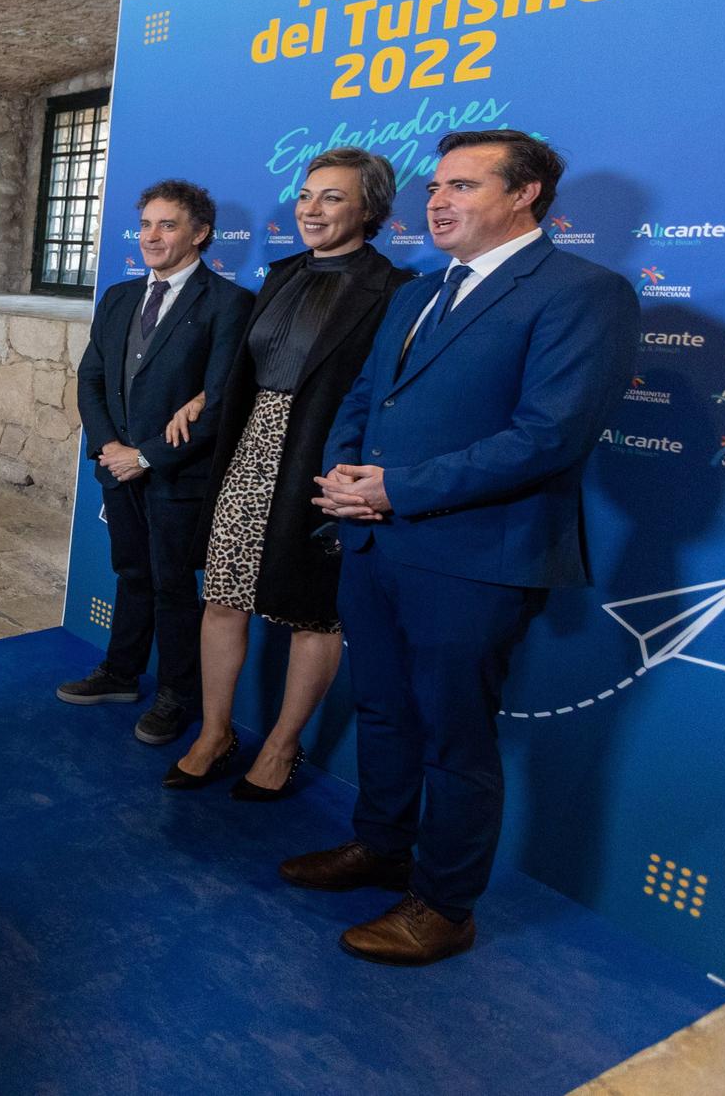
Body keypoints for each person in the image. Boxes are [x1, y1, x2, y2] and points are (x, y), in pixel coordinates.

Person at [284, 129, 638, 965]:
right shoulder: (415, 294)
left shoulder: (583, 291)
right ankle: (381, 845)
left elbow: (549, 436)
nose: (437, 201)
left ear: (525, 196)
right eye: (436, 185)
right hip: (375, 543)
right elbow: (365, 397)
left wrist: (397, 488)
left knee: (454, 735)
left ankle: (444, 904)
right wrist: (343, 477)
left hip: (475, 557)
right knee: (382, 709)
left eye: (464, 186)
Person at [164, 148, 416, 797]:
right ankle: (215, 732)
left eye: (332, 197)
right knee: (223, 594)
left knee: (314, 611)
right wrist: (203, 396)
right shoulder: (278, 275)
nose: (311, 208)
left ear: (370, 209)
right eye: (307, 195)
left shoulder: (394, 290)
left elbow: (390, 392)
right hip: (251, 451)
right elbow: (246, 370)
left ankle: (280, 746)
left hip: (324, 459)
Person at [61, 180, 254, 744]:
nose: (152, 235)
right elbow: (91, 377)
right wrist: (108, 449)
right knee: (131, 573)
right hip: (116, 467)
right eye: (146, 224)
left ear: (200, 234)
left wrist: (147, 455)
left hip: (176, 476)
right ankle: (120, 672)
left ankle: (175, 695)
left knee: (173, 586)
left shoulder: (229, 304)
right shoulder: (119, 297)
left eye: (168, 225)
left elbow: (220, 400)